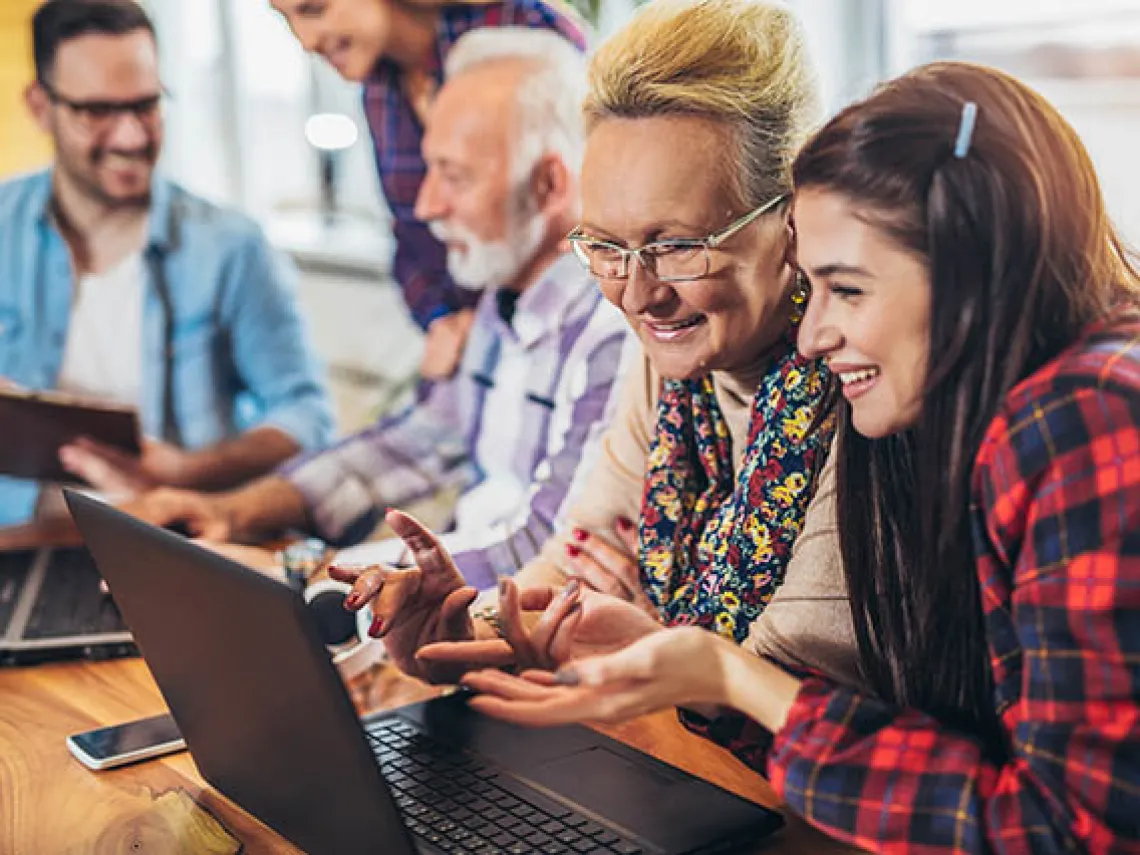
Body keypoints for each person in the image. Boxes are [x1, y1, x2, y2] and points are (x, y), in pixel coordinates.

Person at [463, 61, 1140, 853]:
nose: (814, 336)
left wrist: (737, 678)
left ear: (972, 275)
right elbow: (954, 747)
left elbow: (1075, 832)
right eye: (812, 289)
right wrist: (714, 683)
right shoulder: (993, 420)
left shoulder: (1087, 419)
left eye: (847, 291)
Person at [332, 0, 861, 690]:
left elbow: (786, 692)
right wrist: (459, 629)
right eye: (605, 245)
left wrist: (640, 642)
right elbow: (576, 569)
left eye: (676, 246)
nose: (637, 296)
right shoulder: (669, 361)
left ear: (794, 215)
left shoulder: (862, 382)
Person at [126, 28, 631, 645]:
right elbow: (417, 443)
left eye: (454, 175)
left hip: (517, 644)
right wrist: (232, 511)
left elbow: (545, 547)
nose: (425, 205)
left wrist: (322, 579)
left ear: (551, 185)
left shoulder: (613, 335)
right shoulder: (503, 301)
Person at [0, 0, 334, 529]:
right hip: (23, 539)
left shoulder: (231, 246)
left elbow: (308, 417)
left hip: (173, 541)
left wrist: (186, 471)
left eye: (146, 105)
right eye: (98, 111)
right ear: (41, 107)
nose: (132, 136)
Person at [270, 0, 587, 381]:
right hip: (465, 354)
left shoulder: (519, 28)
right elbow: (409, 236)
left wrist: (493, 321)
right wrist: (442, 320)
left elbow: (585, 209)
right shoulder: (378, 90)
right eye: (285, 19)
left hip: (553, 341)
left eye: (314, 9)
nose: (304, 41)